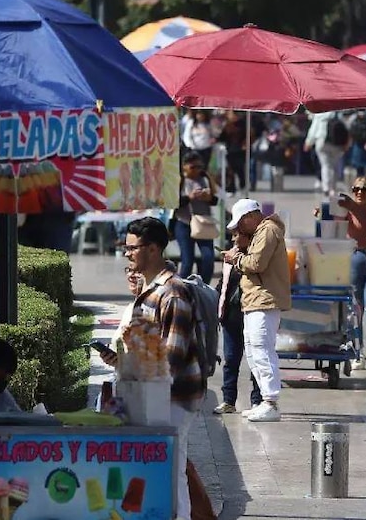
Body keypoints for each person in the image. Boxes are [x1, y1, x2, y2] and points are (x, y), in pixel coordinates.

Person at [123, 217, 205, 519]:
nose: (128, 254)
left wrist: (136, 371)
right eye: (126, 248)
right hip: (154, 393)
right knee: (162, 467)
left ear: (154, 249)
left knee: (172, 467)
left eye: (133, 248)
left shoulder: (172, 293)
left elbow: (172, 355)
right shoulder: (150, 289)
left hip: (175, 397)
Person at [223, 199, 291, 423]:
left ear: (250, 217)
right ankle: (264, 400)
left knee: (262, 349)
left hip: (265, 300)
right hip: (254, 300)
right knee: (253, 350)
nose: (240, 230)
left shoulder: (268, 231)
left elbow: (257, 264)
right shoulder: (260, 232)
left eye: (241, 224)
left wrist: (236, 258)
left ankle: (271, 401)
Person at [329, 176, 366, 372]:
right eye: (355, 189)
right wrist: (322, 212)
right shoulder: (348, 213)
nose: (359, 192)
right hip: (354, 258)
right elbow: (332, 223)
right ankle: (357, 352)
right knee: (355, 308)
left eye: (364, 189)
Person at [212, 230, 262, 414]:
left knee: (256, 360)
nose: (233, 239)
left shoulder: (256, 258)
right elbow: (223, 285)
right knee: (231, 359)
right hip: (231, 316)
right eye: (232, 235)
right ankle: (228, 400)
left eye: (237, 235)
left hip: (253, 314)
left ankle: (258, 400)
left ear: (249, 238)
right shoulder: (231, 256)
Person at [174, 153, 218, 282]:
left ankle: (203, 287)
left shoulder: (205, 179)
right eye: (193, 167)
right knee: (187, 260)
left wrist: (208, 197)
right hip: (184, 223)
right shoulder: (179, 180)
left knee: (208, 257)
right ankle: (181, 288)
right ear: (184, 167)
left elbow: (215, 199)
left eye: (200, 167)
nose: (197, 170)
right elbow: (173, 202)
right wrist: (189, 198)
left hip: (203, 223)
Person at [304, 111, 350, 196]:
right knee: (334, 166)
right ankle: (333, 187)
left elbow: (314, 129)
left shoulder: (319, 114)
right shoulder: (338, 114)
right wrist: (346, 143)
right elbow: (346, 129)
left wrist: (309, 142)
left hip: (322, 142)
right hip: (337, 144)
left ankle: (326, 187)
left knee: (325, 165)